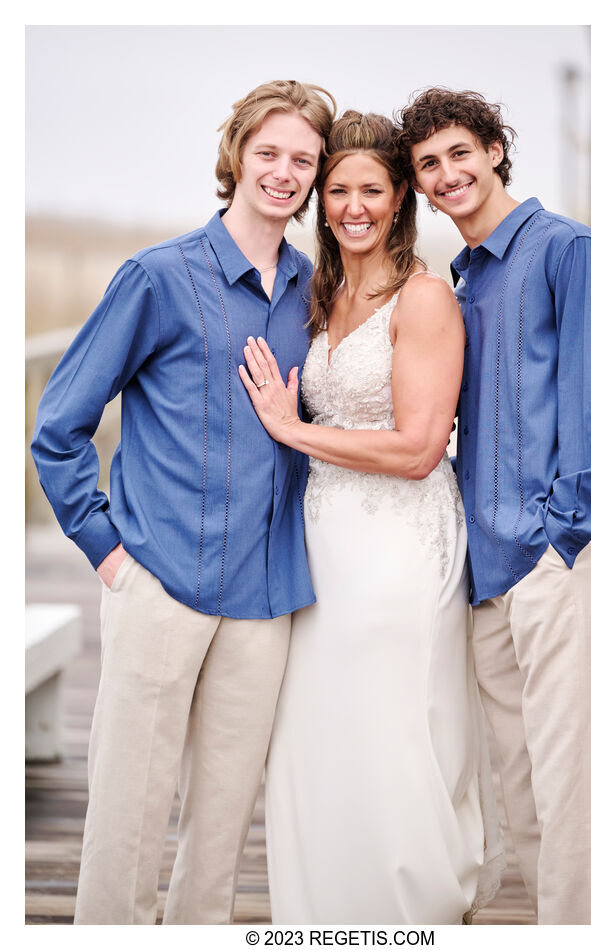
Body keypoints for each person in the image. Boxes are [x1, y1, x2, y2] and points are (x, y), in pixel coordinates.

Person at [31, 79, 335, 925]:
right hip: (159, 581)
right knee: (127, 818)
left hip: (265, 601)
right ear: (235, 155)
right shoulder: (158, 278)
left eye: (302, 160)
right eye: (268, 153)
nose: (284, 172)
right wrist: (109, 553)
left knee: (220, 834)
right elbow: (58, 427)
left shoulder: (316, 293)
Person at [239, 110, 504, 925]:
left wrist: (290, 428)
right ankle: (322, 922)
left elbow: (421, 446)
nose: (352, 205)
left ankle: (408, 918)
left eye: (371, 191)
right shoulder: (325, 295)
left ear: (399, 201)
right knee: (319, 740)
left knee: (391, 733)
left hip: (397, 547)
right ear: (321, 202)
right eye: (337, 190)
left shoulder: (423, 299)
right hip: (323, 548)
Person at [395, 87, 591, 925]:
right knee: (521, 784)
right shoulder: (462, 278)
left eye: (459, 154)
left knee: (571, 790)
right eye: (428, 165)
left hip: (559, 561)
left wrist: (559, 540)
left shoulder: (568, 251)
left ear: (496, 151)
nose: (446, 174)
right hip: (487, 565)